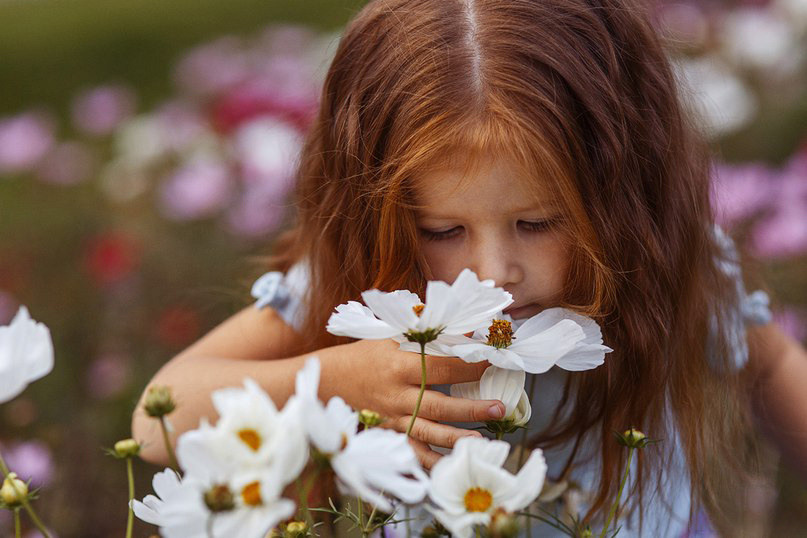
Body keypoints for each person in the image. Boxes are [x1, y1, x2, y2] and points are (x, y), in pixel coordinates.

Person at [131, 0, 807, 535]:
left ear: (628, 199)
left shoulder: (663, 268)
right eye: (443, 230)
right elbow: (157, 418)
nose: (492, 272)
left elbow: (772, 365)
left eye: (538, 223)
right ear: (381, 217)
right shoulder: (365, 285)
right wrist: (332, 379)